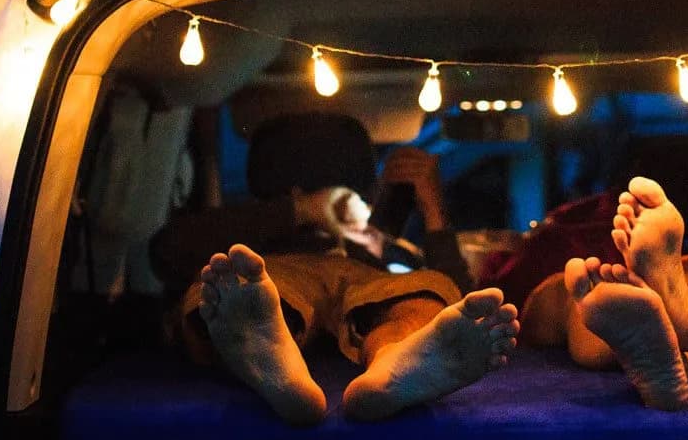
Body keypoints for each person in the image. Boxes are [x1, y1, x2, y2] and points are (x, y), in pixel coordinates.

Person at [152, 147, 518, 424]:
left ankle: (396, 362)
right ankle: (264, 349)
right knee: (254, 285)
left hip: (366, 276)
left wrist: (432, 212)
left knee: (424, 289)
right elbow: (168, 249)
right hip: (280, 265)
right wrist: (301, 210)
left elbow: (461, 298)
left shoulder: (383, 244)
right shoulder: (247, 229)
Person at [520, 176, 688, 410]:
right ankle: (678, 320)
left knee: (573, 300)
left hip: (584, 282)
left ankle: (640, 322)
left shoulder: (560, 231)